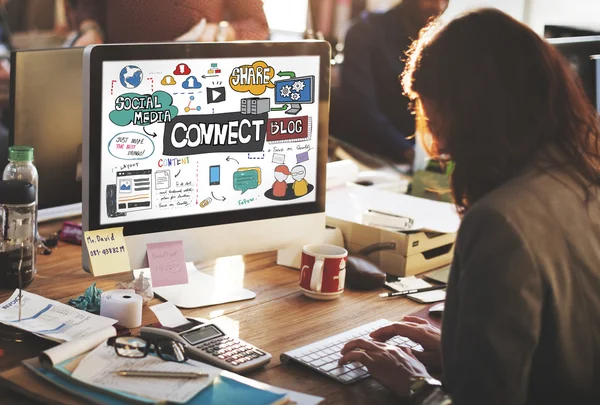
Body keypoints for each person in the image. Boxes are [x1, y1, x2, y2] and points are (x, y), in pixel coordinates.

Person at [339, 8, 600, 405]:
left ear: (476, 116)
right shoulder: (584, 180)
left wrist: (414, 383)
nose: (441, 149)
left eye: (440, 127)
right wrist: (461, 353)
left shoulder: (501, 221)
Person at [331, 0, 449, 162]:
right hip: (365, 156)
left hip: (415, 157)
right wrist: (408, 151)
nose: (439, 7)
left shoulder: (439, 39)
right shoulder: (365, 30)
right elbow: (360, 106)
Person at [70, 0, 269, 45]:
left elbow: (257, 25)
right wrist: (91, 29)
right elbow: (90, 6)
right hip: (115, 78)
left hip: (191, 82)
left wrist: (222, 33)